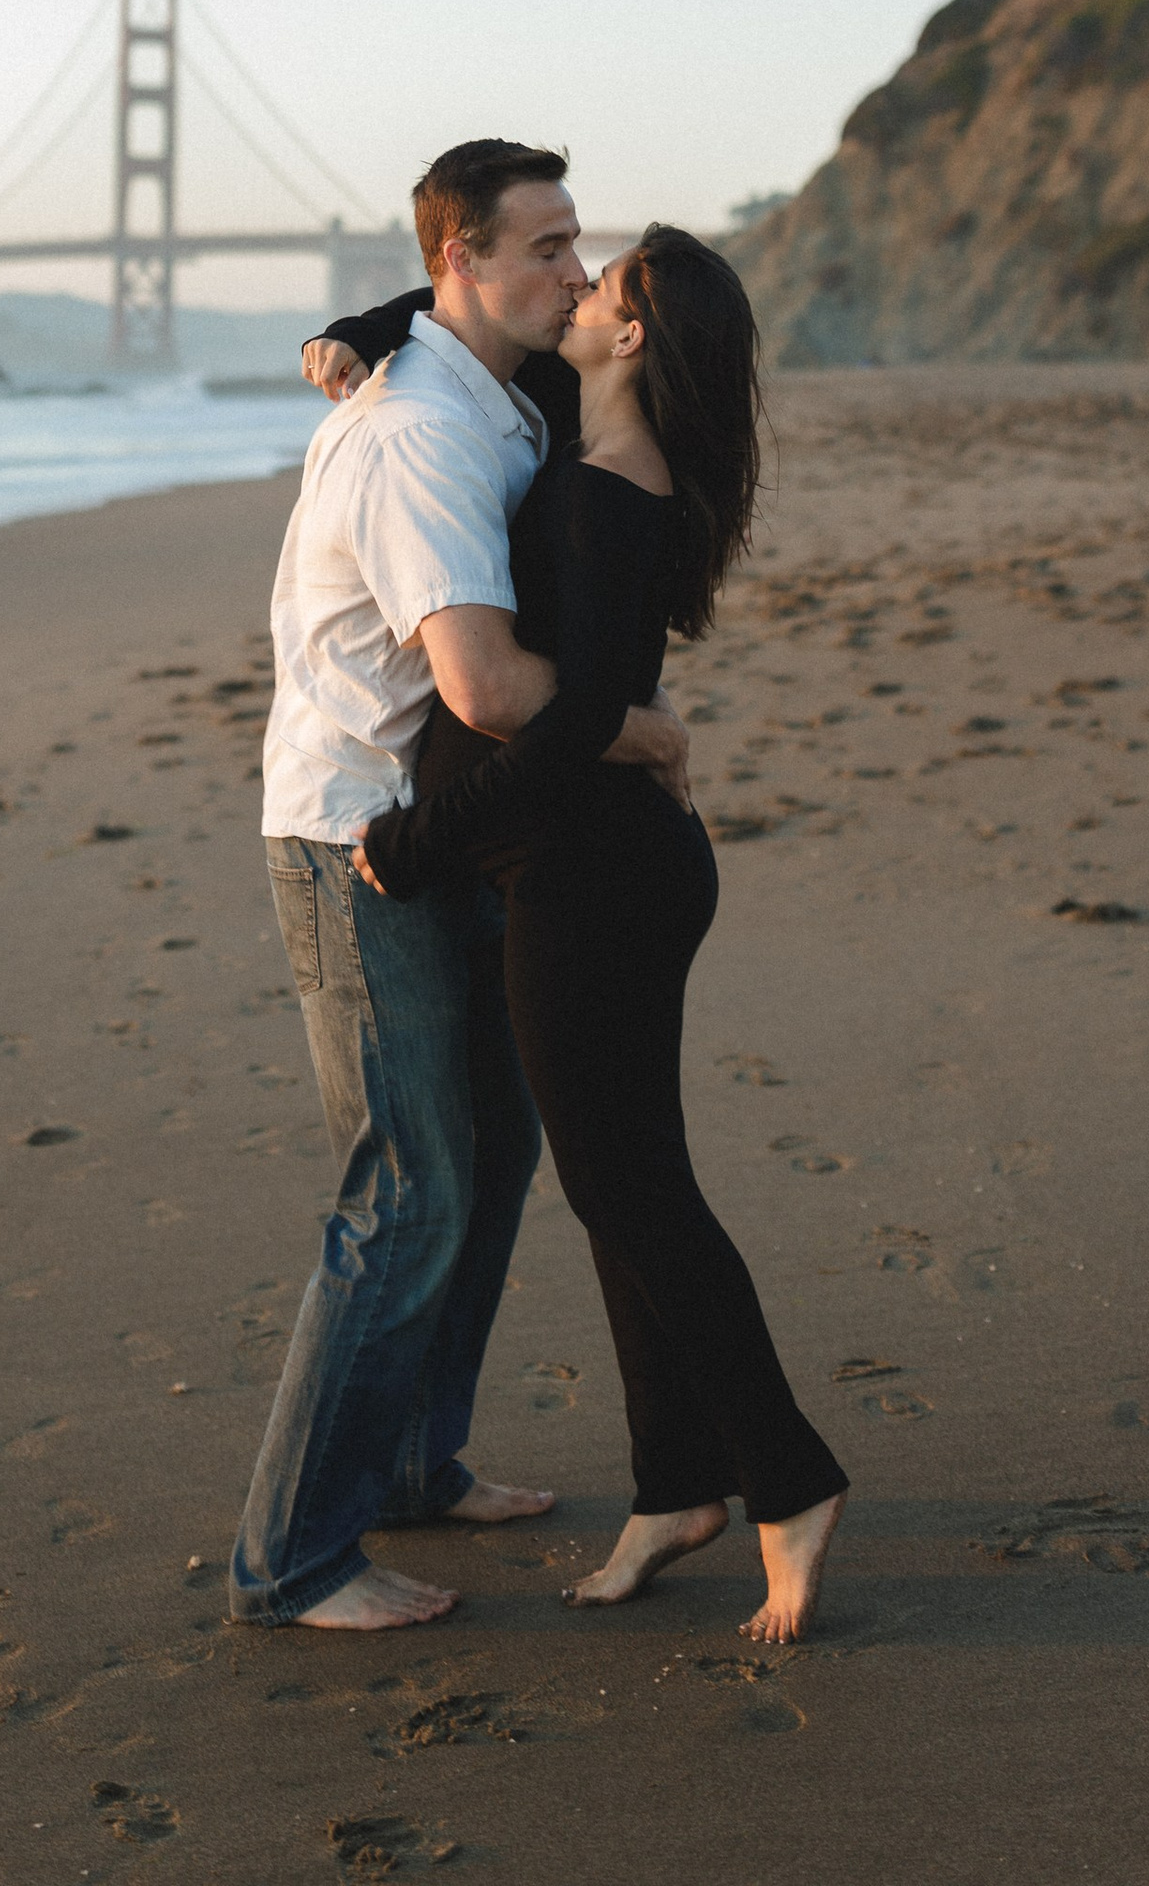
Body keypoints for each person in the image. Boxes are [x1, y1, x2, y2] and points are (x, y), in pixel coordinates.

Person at [349, 230, 849, 1646]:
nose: (575, 285)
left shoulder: (592, 499)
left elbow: (565, 721)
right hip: (616, 869)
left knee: (636, 1196)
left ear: (630, 337)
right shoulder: (610, 453)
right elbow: (466, 309)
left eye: (604, 279)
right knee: (618, 1182)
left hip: (593, 881)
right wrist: (364, 322)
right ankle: (673, 1490)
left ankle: (787, 1481)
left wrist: (416, 842)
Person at [228, 140, 692, 1631]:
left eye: (578, 244)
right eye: (547, 247)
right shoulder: (424, 432)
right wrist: (632, 726)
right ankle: (296, 1556)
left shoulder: (507, 390)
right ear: (463, 264)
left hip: (454, 826)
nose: (575, 270)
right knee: (407, 1192)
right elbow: (486, 687)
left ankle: (416, 1463)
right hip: (361, 838)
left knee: (489, 1164)